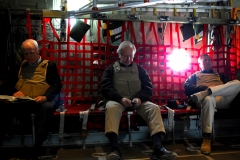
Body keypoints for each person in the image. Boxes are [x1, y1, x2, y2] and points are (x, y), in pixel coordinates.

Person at [100, 41, 178, 160]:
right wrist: (120, 99)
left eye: (131, 56)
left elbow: (148, 88)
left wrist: (140, 99)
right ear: (119, 54)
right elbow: (105, 87)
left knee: (154, 108)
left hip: (137, 100)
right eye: (125, 55)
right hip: (117, 100)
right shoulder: (110, 69)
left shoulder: (140, 70)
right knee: (111, 109)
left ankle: (158, 147)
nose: (128, 58)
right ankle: (114, 149)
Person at [0, 39, 62, 159]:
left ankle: (38, 145)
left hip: (41, 101)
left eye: (31, 53)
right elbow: (8, 84)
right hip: (23, 101)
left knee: (47, 107)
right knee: (3, 105)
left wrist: (46, 97)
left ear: (38, 51)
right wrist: (15, 91)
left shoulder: (49, 66)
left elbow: (56, 85)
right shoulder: (19, 67)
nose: (29, 56)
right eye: (26, 54)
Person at [184, 53, 240, 155]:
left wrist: (213, 89)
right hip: (205, 100)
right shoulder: (194, 76)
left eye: (209, 60)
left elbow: (230, 88)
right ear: (199, 64)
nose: (207, 62)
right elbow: (187, 88)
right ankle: (207, 138)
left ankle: (210, 91)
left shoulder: (220, 75)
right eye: (204, 60)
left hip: (221, 99)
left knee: (238, 83)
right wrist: (204, 88)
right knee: (208, 99)